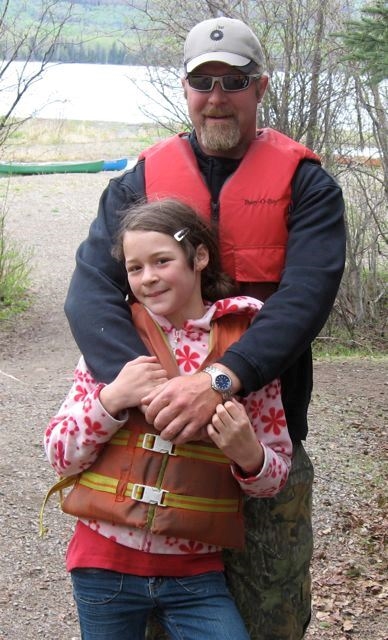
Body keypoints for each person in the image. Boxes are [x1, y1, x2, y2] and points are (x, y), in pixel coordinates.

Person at [64, 16, 346, 640]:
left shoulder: (309, 186)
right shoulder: (138, 182)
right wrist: (146, 389)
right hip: (148, 441)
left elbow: (306, 298)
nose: (217, 96)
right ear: (186, 89)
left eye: (234, 81)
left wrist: (221, 380)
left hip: (257, 441)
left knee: (268, 617)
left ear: (260, 87)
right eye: (203, 82)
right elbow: (90, 292)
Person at [44, 198, 293, 640]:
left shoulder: (246, 346)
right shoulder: (114, 340)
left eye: (162, 261)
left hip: (197, 577)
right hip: (102, 567)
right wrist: (112, 399)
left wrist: (248, 454)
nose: (148, 278)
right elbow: (60, 454)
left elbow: (275, 476)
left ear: (199, 257)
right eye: (135, 268)